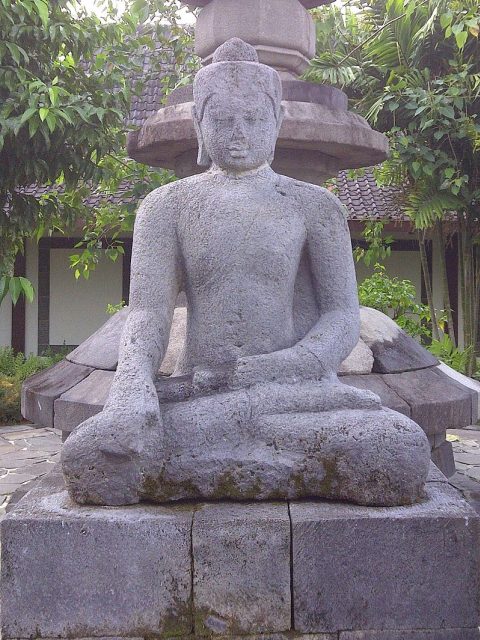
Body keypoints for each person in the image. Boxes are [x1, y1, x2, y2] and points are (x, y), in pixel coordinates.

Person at [62, 39, 430, 507]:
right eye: (222, 119)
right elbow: (147, 314)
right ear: (199, 123)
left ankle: (232, 450)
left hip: (293, 394)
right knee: (94, 458)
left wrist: (284, 367)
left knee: (395, 446)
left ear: (276, 120)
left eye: (253, 119)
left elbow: (341, 315)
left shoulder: (314, 206)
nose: (238, 132)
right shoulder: (166, 207)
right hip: (199, 392)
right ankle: (249, 451)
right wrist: (131, 388)